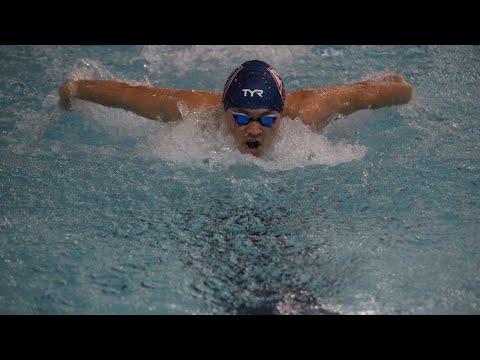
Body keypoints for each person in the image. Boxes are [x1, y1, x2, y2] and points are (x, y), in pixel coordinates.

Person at [59, 59, 412, 157]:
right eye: (241, 118)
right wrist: (72, 90)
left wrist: (399, 88)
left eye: (266, 120)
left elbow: (377, 91)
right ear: (224, 111)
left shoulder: (307, 112)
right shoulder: (195, 112)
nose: (253, 130)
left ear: (282, 112)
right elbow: (127, 95)